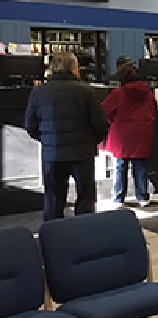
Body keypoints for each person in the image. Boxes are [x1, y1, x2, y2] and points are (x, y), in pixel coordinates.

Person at [24, 52, 108, 221]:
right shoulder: (86, 91)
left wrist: (47, 139)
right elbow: (100, 124)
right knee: (86, 197)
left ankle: (53, 237)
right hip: (82, 153)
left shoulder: (39, 92)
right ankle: (84, 233)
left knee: (53, 198)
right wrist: (91, 141)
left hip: (53, 153)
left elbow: (30, 125)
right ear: (74, 69)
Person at [102, 63, 158, 208]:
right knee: (140, 166)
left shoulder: (117, 94)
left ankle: (118, 198)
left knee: (120, 166)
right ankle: (142, 197)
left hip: (122, 135)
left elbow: (105, 111)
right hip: (142, 134)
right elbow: (154, 110)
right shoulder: (148, 94)